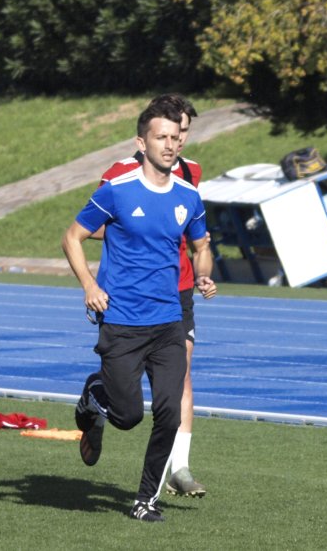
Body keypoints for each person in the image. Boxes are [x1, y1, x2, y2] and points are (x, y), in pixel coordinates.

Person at [62, 100, 217, 523]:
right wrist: (90, 285)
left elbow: (201, 245)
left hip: (169, 321)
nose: (170, 145)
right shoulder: (117, 189)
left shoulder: (189, 195)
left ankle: (145, 499)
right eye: (161, 137)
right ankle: (95, 397)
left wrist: (203, 275)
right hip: (122, 322)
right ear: (141, 142)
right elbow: (72, 237)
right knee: (129, 416)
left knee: (168, 412)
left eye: (175, 137)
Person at [96, 94, 207, 497]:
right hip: (129, 294)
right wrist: (137, 235)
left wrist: (203, 263)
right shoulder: (120, 175)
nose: (178, 141)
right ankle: (104, 394)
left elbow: (196, 230)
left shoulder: (191, 173)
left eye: (184, 133)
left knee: (181, 375)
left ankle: (179, 466)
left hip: (178, 290)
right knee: (129, 407)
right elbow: (90, 225)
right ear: (148, 138)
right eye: (171, 133)